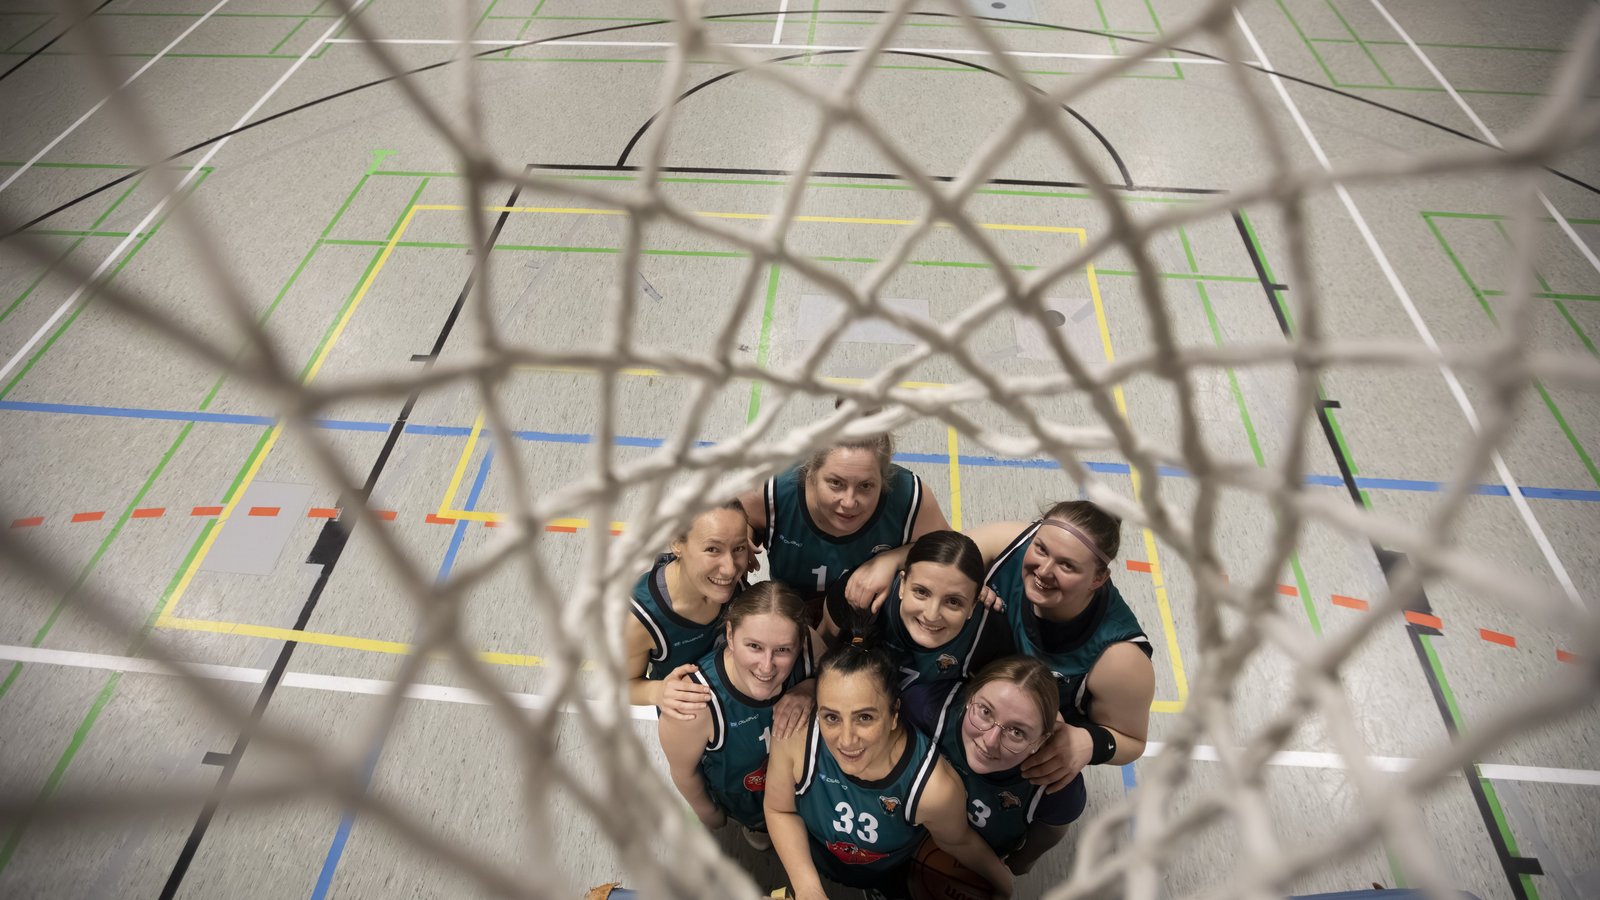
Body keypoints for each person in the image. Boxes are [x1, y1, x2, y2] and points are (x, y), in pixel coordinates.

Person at [763, 614, 1014, 899]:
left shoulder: (933, 787)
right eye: (831, 717)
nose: (846, 739)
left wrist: (1006, 886)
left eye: (865, 717)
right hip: (816, 854)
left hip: (891, 870)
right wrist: (808, 888)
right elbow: (780, 809)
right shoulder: (796, 735)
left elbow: (958, 842)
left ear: (895, 713)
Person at [967, 500, 1155, 794]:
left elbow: (1132, 740)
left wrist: (1089, 743)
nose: (1043, 570)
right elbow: (928, 563)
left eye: (1067, 565)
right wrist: (957, 582)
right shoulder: (1008, 543)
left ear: (1098, 578)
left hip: (1020, 747)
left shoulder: (1120, 659)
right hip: (968, 704)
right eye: (1041, 548)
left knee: (1062, 808)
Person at [657, 582, 818, 850]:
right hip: (749, 801)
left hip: (805, 788)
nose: (767, 666)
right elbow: (685, 774)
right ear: (730, 635)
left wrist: (810, 687)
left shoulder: (810, 648)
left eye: (782, 650)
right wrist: (709, 814)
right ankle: (758, 827)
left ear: (799, 643)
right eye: (754, 646)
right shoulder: (695, 702)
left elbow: (837, 681)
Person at [739, 425, 949, 613]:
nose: (849, 502)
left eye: (865, 486)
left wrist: (892, 559)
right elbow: (721, 524)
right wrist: (739, 535)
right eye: (836, 483)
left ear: (884, 479)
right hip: (788, 619)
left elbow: (951, 551)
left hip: (869, 622)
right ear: (811, 472)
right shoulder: (770, 489)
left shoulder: (909, 497)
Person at [822, 531, 1004, 732]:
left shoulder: (990, 636)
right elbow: (823, 645)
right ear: (902, 584)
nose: (932, 615)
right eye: (921, 592)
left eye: (953, 601)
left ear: (973, 605)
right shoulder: (860, 595)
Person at [929, 657, 1080, 874]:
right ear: (970, 695)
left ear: (1039, 741)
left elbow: (1054, 827)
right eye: (986, 712)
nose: (990, 742)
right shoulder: (931, 708)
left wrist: (1024, 860)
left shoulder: (1056, 782)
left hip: (974, 869)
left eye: (1016, 732)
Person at [625, 500, 752, 719]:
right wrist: (657, 692)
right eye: (713, 549)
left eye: (738, 548)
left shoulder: (726, 576)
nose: (730, 568)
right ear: (676, 543)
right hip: (693, 720)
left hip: (738, 701)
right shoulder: (639, 619)